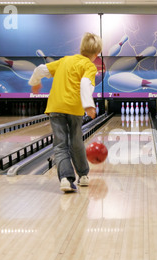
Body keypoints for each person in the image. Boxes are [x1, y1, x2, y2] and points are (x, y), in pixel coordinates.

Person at [28, 32, 102, 193]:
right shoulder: (89, 66)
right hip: (75, 108)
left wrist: (35, 83)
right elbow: (84, 83)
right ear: (96, 55)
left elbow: (40, 69)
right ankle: (83, 176)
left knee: (60, 145)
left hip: (55, 107)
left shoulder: (65, 61)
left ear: (81, 48)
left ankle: (65, 179)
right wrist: (89, 105)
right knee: (76, 142)